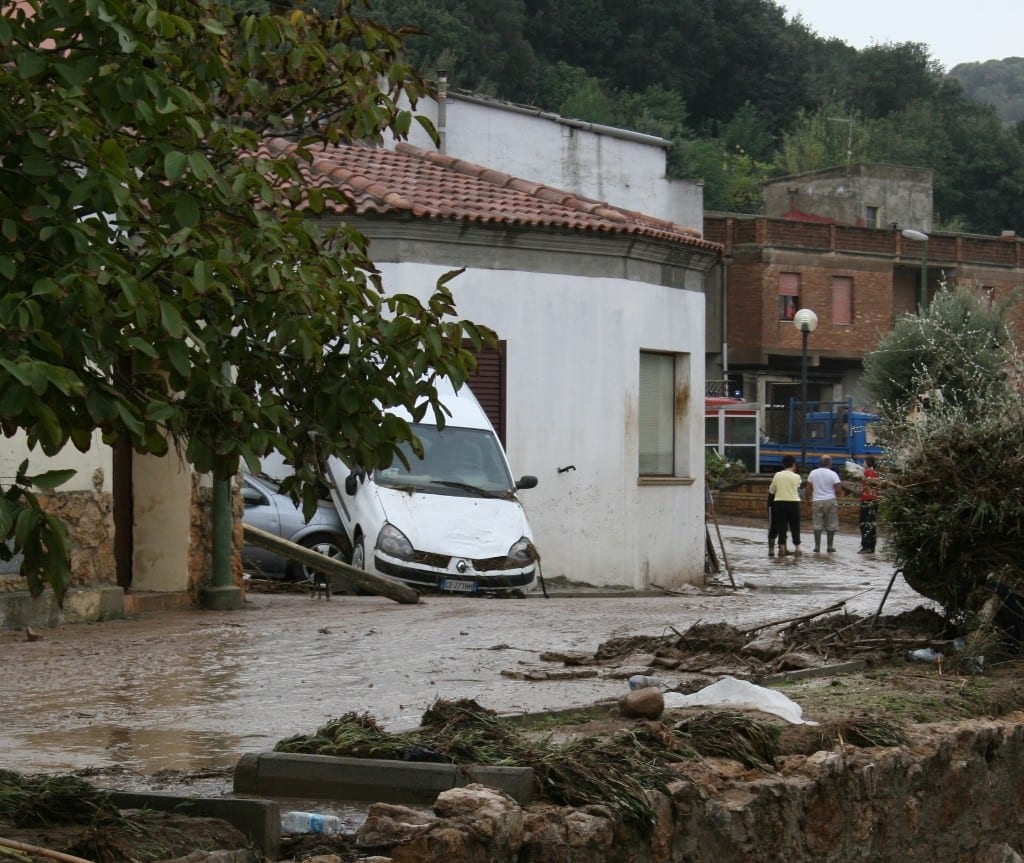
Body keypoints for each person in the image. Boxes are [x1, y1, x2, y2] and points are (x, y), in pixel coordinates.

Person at [806, 454, 843, 552]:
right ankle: (830, 546)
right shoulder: (833, 474)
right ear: (830, 463)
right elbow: (839, 489)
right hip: (830, 500)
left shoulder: (813, 473)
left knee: (817, 523)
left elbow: (808, 488)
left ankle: (817, 546)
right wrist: (832, 494)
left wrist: (807, 500)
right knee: (831, 523)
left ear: (820, 463)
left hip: (817, 500)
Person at [767, 454, 803, 557]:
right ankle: (798, 548)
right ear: (793, 464)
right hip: (794, 503)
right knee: (795, 526)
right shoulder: (797, 477)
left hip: (779, 503)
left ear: (783, 464)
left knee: (781, 527)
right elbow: (797, 487)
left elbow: (772, 490)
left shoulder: (777, 475)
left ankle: (782, 548)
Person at [858, 456, 880, 554]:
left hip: (867, 500)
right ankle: (871, 545)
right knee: (871, 523)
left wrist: (862, 476)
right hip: (874, 500)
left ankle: (866, 545)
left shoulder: (868, 472)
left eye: (864, 461)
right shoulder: (876, 472)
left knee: (865, 523)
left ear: (867, 462)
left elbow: (869, 483)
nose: (863, 463)